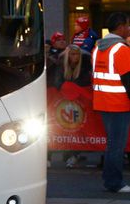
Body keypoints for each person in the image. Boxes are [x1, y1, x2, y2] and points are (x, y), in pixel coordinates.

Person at [91, 12, 130, 193]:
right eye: (128, 25)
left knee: (112, 144)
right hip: (119, 104)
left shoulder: (97, 49)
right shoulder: (121, 50)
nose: (129, 29)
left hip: (102, 103)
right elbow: (128, 80)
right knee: (117, 145)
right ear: (120, 26)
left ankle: (110, 180)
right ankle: (114, 182)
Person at [52, 44, 92, 168]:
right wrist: (66, 88)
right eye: (72, 54)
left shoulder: (85, 63)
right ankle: (68, 153)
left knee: (79, 129)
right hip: (64, 101)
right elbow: (57, 81)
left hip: (80, 101)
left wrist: (72, 88)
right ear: (67, 55)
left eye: (77, 54)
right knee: (63, 129)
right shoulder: (60, 64)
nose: (75, 57)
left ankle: (75, 153)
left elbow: (86, 80)